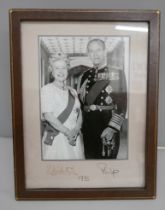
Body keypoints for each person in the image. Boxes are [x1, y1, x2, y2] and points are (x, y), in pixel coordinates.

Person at [78, 39, 127, 159]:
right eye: (91, 51)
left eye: (98, 50)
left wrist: (112, 127)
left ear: (105, 51)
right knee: (90, 160)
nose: (95, 54)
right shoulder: (84, 75)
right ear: (88, 54)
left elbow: (122, 104)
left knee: (107, 164)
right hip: (88, 126)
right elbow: (80, 104)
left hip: (107, 124)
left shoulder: (117, 73)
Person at [41, 54, 84, 160]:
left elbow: (79, 112)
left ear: (67, 70)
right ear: (52, 70)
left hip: (74, 136)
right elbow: (48, 116)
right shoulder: (47, 90)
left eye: (63, 68)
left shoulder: (72, 91)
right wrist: (67, 132)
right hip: (57, 137)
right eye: (57, 68)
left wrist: (76, 129)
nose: (61, 71)